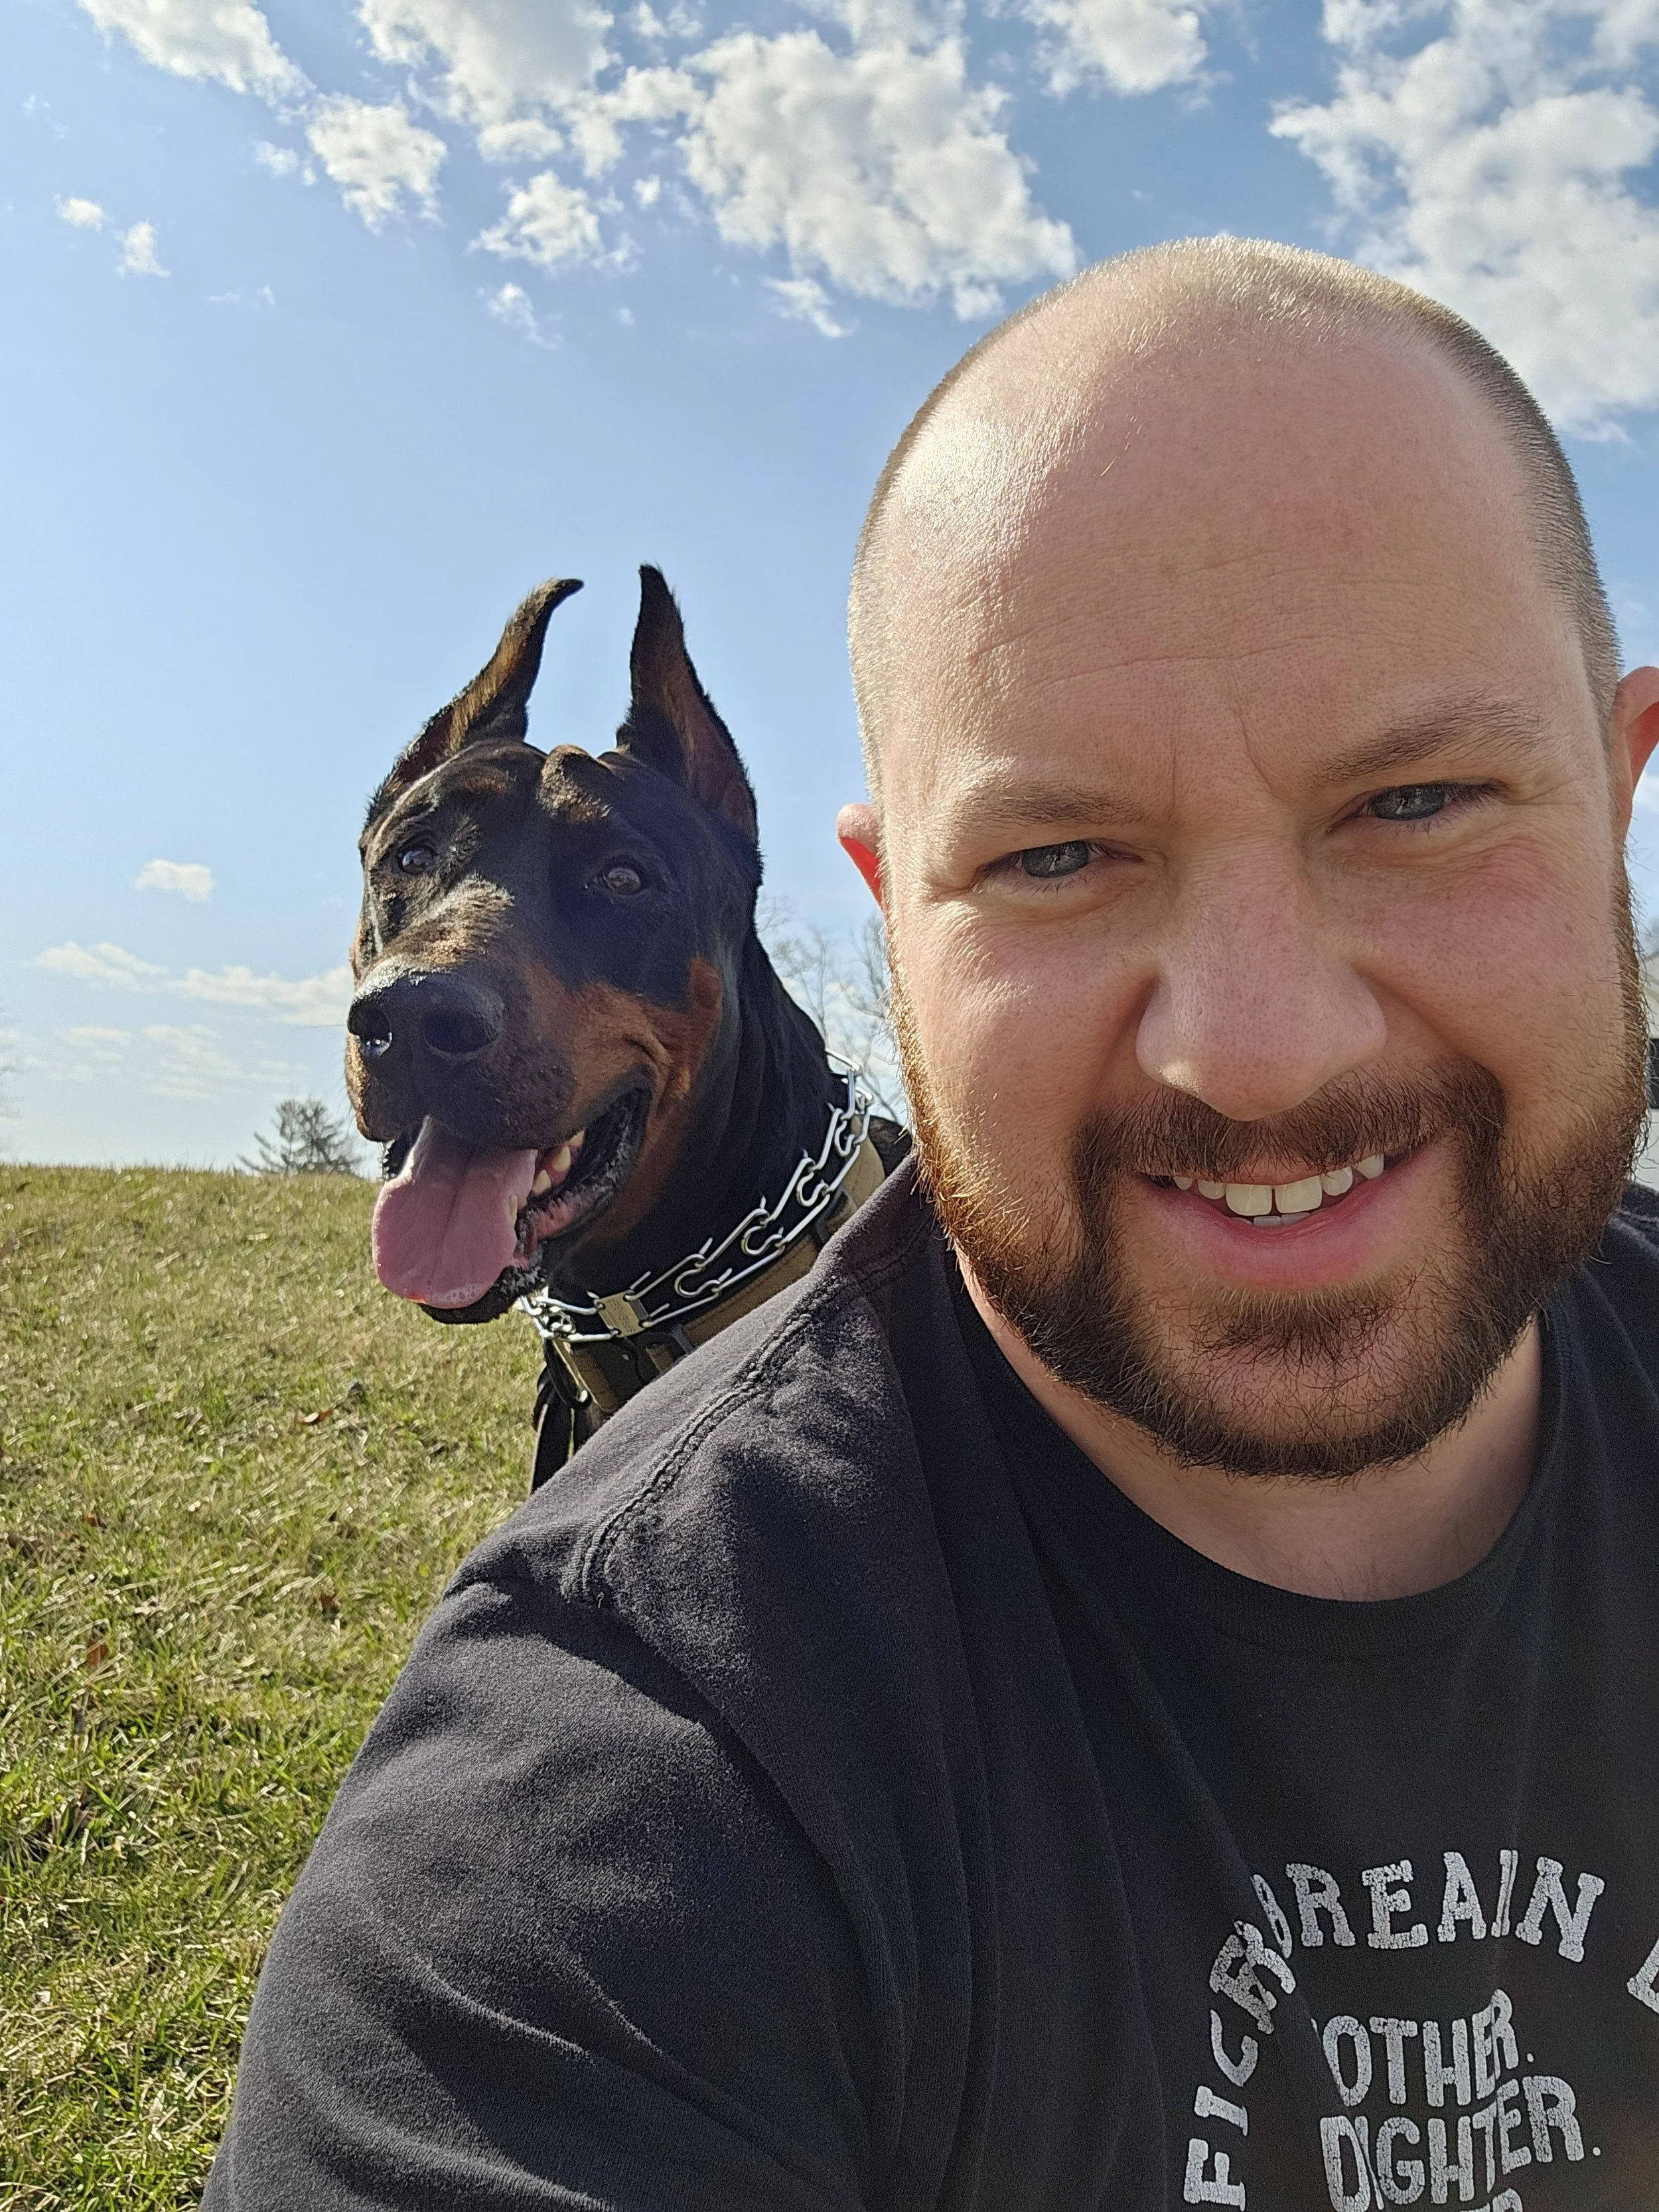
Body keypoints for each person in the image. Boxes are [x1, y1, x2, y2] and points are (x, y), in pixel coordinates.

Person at [204, 239, 1659, 2210]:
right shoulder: (603, 1807)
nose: (1252, 1051)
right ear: (895, 913)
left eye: (1414, 799)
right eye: (1054, 853)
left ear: (1619, 785)